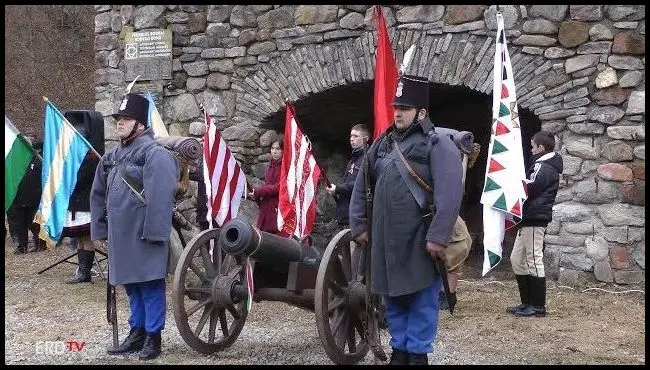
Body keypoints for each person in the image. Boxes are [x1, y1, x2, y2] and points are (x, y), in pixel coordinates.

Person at [349, 75, 464, 365]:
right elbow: (362, 184)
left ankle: (417, 353)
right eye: (396, 106)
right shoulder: (382, 143)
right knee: (393, 297)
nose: (398, 112)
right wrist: (359, 223)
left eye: (406, 108)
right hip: (386, 237)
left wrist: (438, 236)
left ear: (421, 112)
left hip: (419, 237)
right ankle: (400, 350)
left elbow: (450, 195)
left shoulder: (437, 145)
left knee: (422, 300)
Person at [90, 93, 179, 360]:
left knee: (150, 285)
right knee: (131, 285)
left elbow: (161, 198)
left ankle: (153, 337)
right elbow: (97, 193)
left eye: (125, 118)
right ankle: (137, 332)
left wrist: (154, 232)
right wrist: (100, 228)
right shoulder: (112, 156)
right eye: (118, 118)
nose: (119, 123)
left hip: (144, 233)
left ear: (140, 124)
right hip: (121, 235)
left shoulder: (156, 154)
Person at [507, 130, 563, 318]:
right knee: (517, 259)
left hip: (535, 217)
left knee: (534, 258)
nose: (530, 150)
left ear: (541, 147)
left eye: (532, 146)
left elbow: (531, 188)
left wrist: (513, 183)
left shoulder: (545, 167)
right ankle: (527, 302)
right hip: (529, 217)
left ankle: (538, 306)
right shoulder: (543, 165)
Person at [65, 149, 101, 284]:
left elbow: (78, 182)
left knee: (86, 239)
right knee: (80, 239)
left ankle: (85, 273)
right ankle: (82, 271)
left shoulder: (89, 162)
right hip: (77, 205)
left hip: (85, 206)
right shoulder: (77, 162)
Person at [326, 124, 369, 227]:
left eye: (356, 136)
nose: (352, 139)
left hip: (358, 216)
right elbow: (347, 185)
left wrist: (338, 189)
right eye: (351, 136)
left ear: (366, 139)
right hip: (346, 215)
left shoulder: (368, 159)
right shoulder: (352, 160)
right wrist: (336, 191)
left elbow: (361, 184)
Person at [6, 140, 45, 254]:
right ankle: (22, 246)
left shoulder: (37, 160)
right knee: (21, 224)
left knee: (35, 222)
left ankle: (40, 242)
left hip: (35, 197)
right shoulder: (15, 162)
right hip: (19, 197)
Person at [249, 139, 283, 234]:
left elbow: (279, 187)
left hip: (277, 208)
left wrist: (259, 192)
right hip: (266, 206)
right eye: (272, 148)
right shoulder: (271, 165)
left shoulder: (285, 167)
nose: (274, 151)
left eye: (278, 149)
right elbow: (268, 185)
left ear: (283, 150)